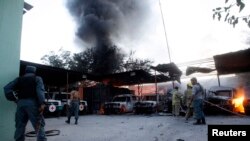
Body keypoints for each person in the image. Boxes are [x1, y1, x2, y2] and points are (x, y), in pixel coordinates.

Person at [3, 66, 47, 141]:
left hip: (20, 104)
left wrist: (14, 99)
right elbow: (40, 91)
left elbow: (6, 88)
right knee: (38, 125)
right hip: (33, 104)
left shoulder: (19, 79)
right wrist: (42, 103)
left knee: (20, 126)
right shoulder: (37, 78)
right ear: (34, 72)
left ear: (26, 71)